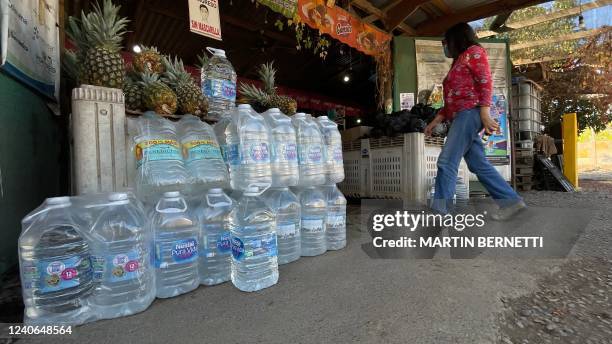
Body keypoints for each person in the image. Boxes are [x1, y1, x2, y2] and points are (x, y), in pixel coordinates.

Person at [424, 22, 526, 220]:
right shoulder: (459, 60)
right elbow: (453, 98)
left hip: (469, 114)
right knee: (478, 164)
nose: (445, 46)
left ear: (456, 39)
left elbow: (485, 82)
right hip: (461, 115)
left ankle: (439, 212)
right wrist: (436, 120)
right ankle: (511, 201)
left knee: (446, 161)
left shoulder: (475, 52)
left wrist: (485, 113)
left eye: (446, 42)